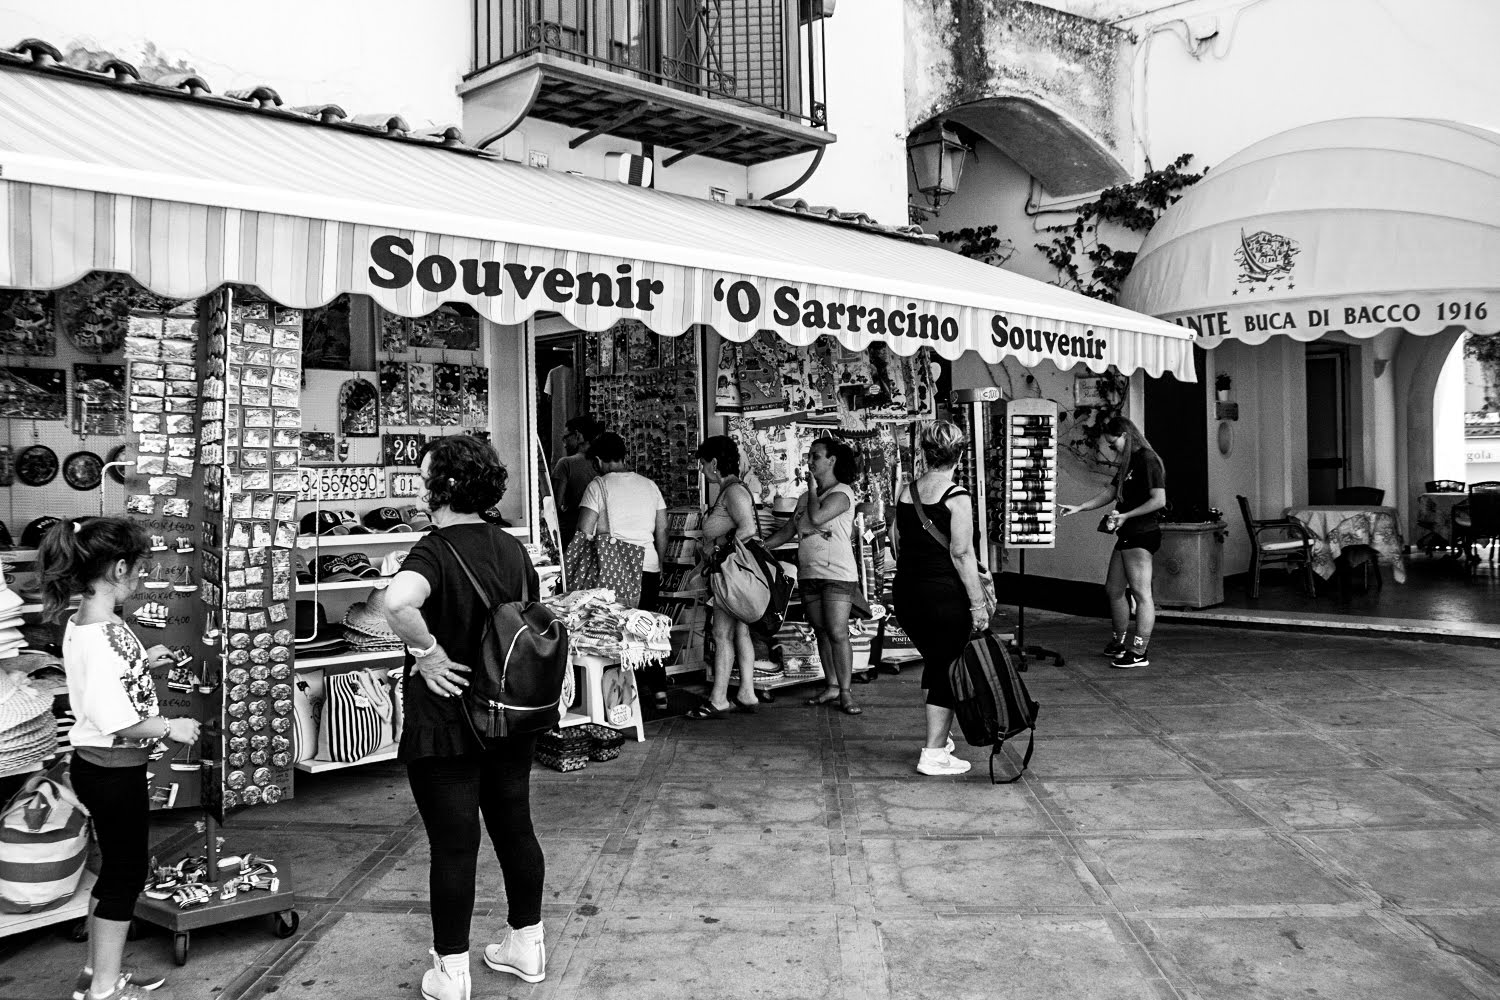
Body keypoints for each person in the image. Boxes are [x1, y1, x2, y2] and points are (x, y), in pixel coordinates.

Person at [384, 436, 547, 999]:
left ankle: (451, 972)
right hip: (508, 712)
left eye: (423, 474)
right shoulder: (510, 546)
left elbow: (395, 602)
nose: (418, 483)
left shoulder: (435, 549)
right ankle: (526, 946)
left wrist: (428, 654)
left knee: (454, 846)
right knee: (514, 827)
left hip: (447, 717)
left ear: (442, 487)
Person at [40, 516, 197, 1000]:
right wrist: (173, 727)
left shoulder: (85, 622)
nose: (140, 578)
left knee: (112, 870)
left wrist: (141, 662)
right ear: (120, 567)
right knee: (126, 874)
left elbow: (100, 684)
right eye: (138, 568)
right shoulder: (104, 635)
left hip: (95, 764)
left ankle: (95, 974)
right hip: (112, 767)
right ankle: (105, 990)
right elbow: (120, 722)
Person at [889, 421, 992, 776]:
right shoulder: (956, 496)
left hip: (907, 594)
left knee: (935, 662)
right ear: (959, 454)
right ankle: (933, 753)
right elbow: (962, 554)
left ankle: (941, 738)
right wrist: (978, 605)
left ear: (925, 453)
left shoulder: (906, 492)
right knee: (947, 667)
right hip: (942, 597)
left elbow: (896, 542)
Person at [763, 437, 863, 716]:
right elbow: (788, 532)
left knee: (837, 632)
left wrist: (811, 487)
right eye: (809, 456)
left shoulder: (842, 494)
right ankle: (831, 685)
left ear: (831, 461)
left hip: (838, 573)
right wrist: (760, 545)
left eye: (815, 456)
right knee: (820, 631)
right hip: (810, 573)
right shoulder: (807, 499)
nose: (810, 461)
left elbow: (817, 518)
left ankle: (846, 692)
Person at [1059, 415, 1167, 668]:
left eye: (1113, 442)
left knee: (1141, 594)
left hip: (1142, 532)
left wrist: (1127, 515)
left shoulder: (1148, 460)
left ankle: (1139, 651)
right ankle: (1119, 642)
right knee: (1114, 589)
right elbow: (1111, 491)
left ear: (1126, 436)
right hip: (1128, 532)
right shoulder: (1129, 462)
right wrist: (1081, 507)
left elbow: (1158, 500)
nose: (1111, 448)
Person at [686, 434, 760, 719]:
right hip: (732, 574)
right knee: (739, 632)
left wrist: (719, 549)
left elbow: (748, 528)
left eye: (703, 464)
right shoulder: (730, 491)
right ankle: (746, 693)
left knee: (722, 632)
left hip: (731, 574)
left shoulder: (733, 492)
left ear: (714, 463)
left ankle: (719, 698)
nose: (702, 471)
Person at [575, 431, 668, 610]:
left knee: (613, 630)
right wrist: (660, 562)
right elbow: (662, 529)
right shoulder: (650, 486)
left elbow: (584, 531)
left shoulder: (597, 487)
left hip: (612, 569)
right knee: (643, 629)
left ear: (598, 460)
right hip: (649, 568)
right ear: (623, 457)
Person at [550, 414, 602, 548]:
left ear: (578, 436)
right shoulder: (602, 464)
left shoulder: (565, 464)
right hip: (599, 537)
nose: (564, 444)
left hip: (572, 534)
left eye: (566, 438)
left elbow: (555, 505)